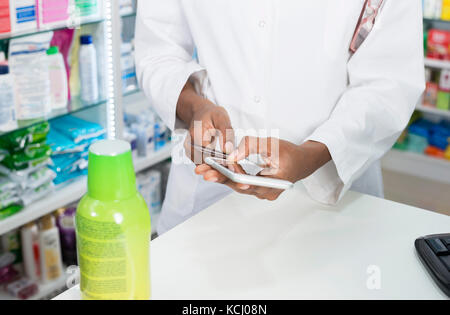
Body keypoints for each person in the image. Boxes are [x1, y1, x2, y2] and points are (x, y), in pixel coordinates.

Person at [135, 0, 425, 235]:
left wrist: (312, 153)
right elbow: (159, 52)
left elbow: (388, 84)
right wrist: (195, 108)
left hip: (330, 197)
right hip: (206, 195)